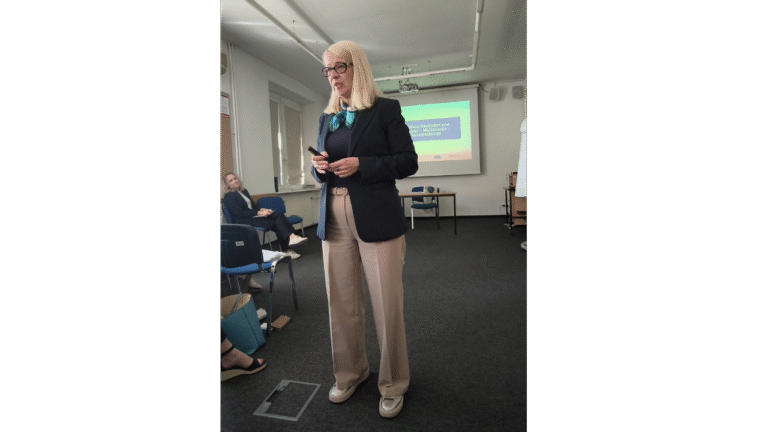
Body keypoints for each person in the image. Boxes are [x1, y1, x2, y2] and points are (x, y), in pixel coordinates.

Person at [310, 40, 418, 418]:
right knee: (340, 303)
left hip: (375, 212)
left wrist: (363, 164)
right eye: (328, 69)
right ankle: (350, 373)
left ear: (358, 67)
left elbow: (407, 161)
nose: (333, 75)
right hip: (333, 215)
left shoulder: (385, 110)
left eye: (339, 66)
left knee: (386, 304)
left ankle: (393, 382)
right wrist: (318, 168)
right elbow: (320, 170)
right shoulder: (327, 118)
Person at [222, 172, 308, 259]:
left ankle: (290, 243)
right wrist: (258, 213)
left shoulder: (244, 191)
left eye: (235, 178)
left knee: (278, 216)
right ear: (227, 185)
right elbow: (239, 213)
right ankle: (289, 244)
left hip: (254, 217)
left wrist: (262, 210)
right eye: (231, 181)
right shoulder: (229, 196)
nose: (234, 181)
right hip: (245, 221)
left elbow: (253, 206)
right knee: (278, 222)